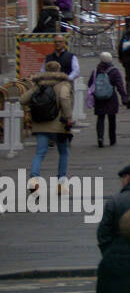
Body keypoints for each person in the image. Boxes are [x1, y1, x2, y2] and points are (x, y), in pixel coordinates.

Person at [21, 61, 76, 195]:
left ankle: (34, 180)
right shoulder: (63, 83)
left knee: (40, 153)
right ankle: (61, 184)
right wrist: (68, 117)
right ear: (59, 69)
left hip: (40, 124)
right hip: (59, 125)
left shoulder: (38, 84)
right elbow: (63, 97)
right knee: (63, 153)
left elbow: (23, 99)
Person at [88, 51, 130, 147]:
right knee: (112, 118)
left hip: (99, 98)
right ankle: (112, 139)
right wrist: (124, 97)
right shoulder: (114, 71)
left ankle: (100, 137)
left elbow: (90, 84)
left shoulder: (96, 70)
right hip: (111, 97)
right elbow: (120, 85)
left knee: (100, 117)